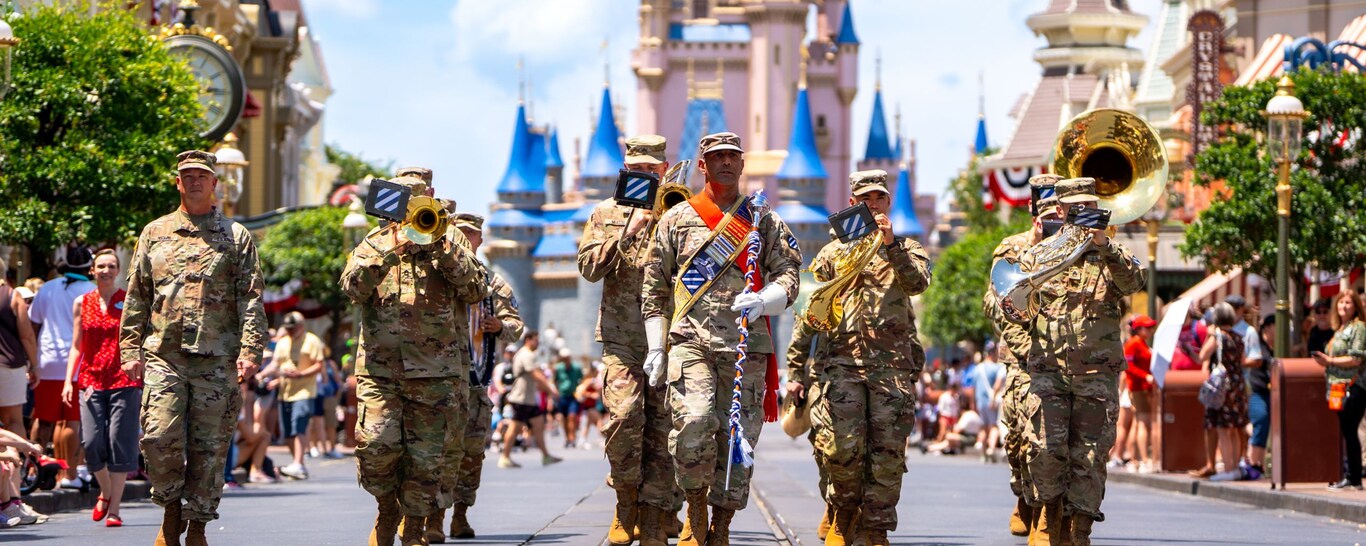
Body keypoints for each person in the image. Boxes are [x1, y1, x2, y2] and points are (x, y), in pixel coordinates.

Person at [642, 131, 800, 546]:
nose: (726, 163)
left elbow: (789, 275)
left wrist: (766, 299)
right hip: (691, 342)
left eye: (733, 156)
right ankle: (694, 509)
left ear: (743, 164)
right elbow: (654, 286)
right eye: (717, 157)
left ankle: (722, 523)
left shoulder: (763, 218)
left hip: (747, 348)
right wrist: (657, 345)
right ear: (702, 165)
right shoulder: (676, 219)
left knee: (739, 441)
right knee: (693, 424)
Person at [120, 150, 267, 545]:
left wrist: (250, 351)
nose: (195, 181)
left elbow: (251, 299)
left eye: (203, 175)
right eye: (188, 175)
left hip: (217, 359)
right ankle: (170, 510)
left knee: (210, 447)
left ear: (215, 183)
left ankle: (197, 525)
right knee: (157, 438)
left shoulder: (236, 236)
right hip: (163, 355)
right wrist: (129, 351)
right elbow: (137, 295)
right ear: (178, 183)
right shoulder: (154, 232)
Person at [782, 169, 930, 546]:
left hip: (891, 368)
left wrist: (891, 244)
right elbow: (810, 312)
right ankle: (843, 509)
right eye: (865, 199)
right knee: (841, 449)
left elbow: (917, 284)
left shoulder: (907, 249)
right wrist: (796, 368)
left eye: (879, 198)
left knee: (886, 454)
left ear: (888, 203)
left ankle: (875, 528)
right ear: (852, 205)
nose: (873, 204)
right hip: (841, 366)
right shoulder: (832, 254)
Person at [341, 169, 487, 545]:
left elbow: (475, 290)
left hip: (436, 372)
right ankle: (387, 508)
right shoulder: (375, 241)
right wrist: (390, 252)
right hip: (380, 369)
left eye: (416, 199)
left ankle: (415, 530)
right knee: (375, 447)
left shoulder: (450, 238)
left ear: (430, 197)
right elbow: (352, 288)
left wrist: (440, 247)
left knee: (427, 462)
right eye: (403, 198)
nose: (409, 207)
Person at [1022, 177, 1145, 545]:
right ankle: (1050, 513)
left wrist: (1103, 244)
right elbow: (1015, 305)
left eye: (1090, 207)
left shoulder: (1113, 254)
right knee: (1045, 451)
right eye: (1076, 208)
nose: (1084, 213)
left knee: (1089, 458)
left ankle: (1079, 532)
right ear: (1060, 211)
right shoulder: (1038, 255)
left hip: (1096, 374)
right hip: (1049, 371)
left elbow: (1135, 281)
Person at [577, 134, 685, 546]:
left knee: (663, 432)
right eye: (635, 168)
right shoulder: (604, 212)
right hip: (623, 338)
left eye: (650, 169)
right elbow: (588, 268)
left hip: (672, 339)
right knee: (623, 421)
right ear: (625, 169)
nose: (643, 174)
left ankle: (655, 518)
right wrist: (628, 230)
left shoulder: (679, 210)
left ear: (663, 169)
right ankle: (625, 506)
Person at [982, 172, 1059, 537]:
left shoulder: (1076, 246)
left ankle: (1046, 510)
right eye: (1047, 209)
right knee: (1017, 439)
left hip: (1062, 362)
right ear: (1035, 213)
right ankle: (1025, 495)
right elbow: (992, 302)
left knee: (1045, 440)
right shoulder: (1013, 246)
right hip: (1021, 360)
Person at [450, 211, 524, 540]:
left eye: (471, 233)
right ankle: (430, 518)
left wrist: (500, 326)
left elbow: (516, 326)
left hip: (476, 380)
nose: (466, 238)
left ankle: (460, 514)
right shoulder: (441, 277)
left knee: (471, 452)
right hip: (441, 379)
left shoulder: (493, 283)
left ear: (480, 239)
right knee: (436, 451)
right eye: (459, 232)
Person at [60, 249, 138, 527]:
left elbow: (140, 340)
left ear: (118, 271)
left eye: (111, 266)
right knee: (92, 443)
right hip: (91, 380)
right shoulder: (82, 302)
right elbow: (76, 344)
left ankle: (114, 509)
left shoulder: (129, 301)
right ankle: (105, 492)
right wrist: (69, 380)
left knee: (119, 442)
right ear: (92, 270)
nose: (105, 270)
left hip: (124, 381)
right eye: (101, 266)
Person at [29, 244, 96, 490]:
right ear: (90, 268)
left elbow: (33, 325)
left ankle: (32, 470)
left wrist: (32, 359)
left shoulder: (47, 288)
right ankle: (68, 476)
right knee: (70, 422)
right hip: (76, 364)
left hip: (46, 360)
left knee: (44, 419)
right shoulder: (91, 291)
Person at [786, 310, 834, 540]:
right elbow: (804, 327)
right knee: (827, 450)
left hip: (878, 377)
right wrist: (795, 374)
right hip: (828, 379)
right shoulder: (824, 279)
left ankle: (862, 518)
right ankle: (834, 507)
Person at [1190, 302, 1249, 481]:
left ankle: (1229, 468)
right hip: (1238, 384)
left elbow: (1202, 357)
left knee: (1223, 428)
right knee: (1234, 427)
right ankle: (1236, 467)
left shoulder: (1217, 337)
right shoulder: (1239, 337)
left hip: (1223, 387)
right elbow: (1244, 361)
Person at [1314, 291, 1366, 490]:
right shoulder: (1340, 328)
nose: (1344, 306)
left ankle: (1354, 478)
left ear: (1355, 307)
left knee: (1350, 430)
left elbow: (1356, 358)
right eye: (1341, 302)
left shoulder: (1358, 327)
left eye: (1348, 302)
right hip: (1337, 386)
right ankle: (1350, 476)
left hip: (1353, 385)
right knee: (1346, 430)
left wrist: (1330, 361)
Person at [272, 311, 325, 481]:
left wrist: (301, 374)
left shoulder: (312, 341)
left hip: (304, 391)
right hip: (285, 392)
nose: (289, 331)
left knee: (299, 426)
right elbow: (275, 364)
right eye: (287, 329)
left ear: (301, 326)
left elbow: (319, 365)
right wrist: (264, 375)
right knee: (288, 433)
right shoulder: (282, 342)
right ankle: (299, 465)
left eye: (292, 329)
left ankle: (297, 463)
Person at [499, 332, 561, 468]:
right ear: (528, 340)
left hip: (529, 399)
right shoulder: (526, 354)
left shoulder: (528, 354)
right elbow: (536, 375)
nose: (537, 343)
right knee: (514, 428)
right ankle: (504, 458)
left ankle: (546, 456)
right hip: (521, 398)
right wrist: (551, 390)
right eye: (535, 340)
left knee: (539, 426)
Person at [0, 256, 38, 440]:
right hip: (10, 366)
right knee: (14, 420)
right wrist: (35, 365)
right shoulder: (11, 295)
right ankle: (16, 466)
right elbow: (27, 335)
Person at [1122, 314, 1158, 473]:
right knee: (1143, 422)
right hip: (1138, 388)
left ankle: (1136, 459)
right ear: (1139, 329)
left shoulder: (1140, 343)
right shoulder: (1134, 343)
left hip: (1142, 388)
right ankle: (1143, 459)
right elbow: (1127, 366)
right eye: (1147, 327)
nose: (1150, 330)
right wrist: (1146, 376)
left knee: (1139, 423)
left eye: (1151, 327)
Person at [1243, 315, 1276, 480]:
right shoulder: (1259, 345)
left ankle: (1258, 463)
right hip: (1257, 391)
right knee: (1261, 421)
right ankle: (1253, 463)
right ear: (1267, 327)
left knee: (1263, 427)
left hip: (1273, 393)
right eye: (1276, 326)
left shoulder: (1277, 347)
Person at [972, 343, 1005, 464]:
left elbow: (973, 388)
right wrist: (993, 399)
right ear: (993, 353)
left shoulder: (977, 368)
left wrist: (973, 403)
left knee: (983, 426)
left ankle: (982, 449)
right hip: (992, 401)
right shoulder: (997, 368)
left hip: (980, 401)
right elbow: (997, 385)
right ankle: (991, 448)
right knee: (994, 426)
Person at [551, 349, 583, 449]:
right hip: (562, 396)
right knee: (564, 418)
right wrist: (555, 391)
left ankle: (572, 437)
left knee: (572, 416)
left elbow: (582, 380)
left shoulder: (576, 368)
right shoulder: (558, 368)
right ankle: (567, 438)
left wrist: (580, 390)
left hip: (573, 396)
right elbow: (554, 381)